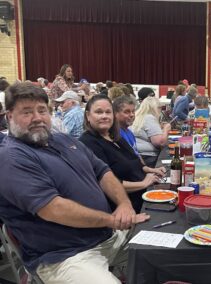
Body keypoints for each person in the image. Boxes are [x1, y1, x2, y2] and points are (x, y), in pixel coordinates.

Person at [0, 82, 150, 283]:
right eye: (27, 112)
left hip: (108, 238)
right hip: (64, 256)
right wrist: (111, 220)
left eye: (41, 110)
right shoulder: (12, 158)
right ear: (9, 116)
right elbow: (53, 209)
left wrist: (124, 204)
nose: (37, 118)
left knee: (162, 252)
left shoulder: (62, 140)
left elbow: (103, 172)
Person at [80, 95, 163, 213]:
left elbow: (134, 161)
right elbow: (108, 184)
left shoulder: (114, 135)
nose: (104, 116)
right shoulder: (88, 142)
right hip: (125, 208)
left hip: (143, 196)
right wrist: (143, 183)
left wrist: (150, 170)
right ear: (88, 116)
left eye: (108, 112)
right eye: (99, 112)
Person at [131, 96, 171, 167]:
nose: (160, 110)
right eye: (159, 108)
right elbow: (160, 142)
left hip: (138, 155)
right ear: (155, 108)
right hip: (148, 157)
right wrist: (166, 129)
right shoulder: (149, 118)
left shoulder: (138, 115)